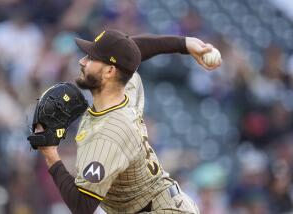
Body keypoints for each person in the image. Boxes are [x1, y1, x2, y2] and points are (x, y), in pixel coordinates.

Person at [33, 29, 221, 213]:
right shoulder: (125, 87)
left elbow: (82, 205)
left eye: (91, 58)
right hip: (164, 203)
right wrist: (183, 44)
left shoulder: (109, 134)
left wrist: (51, 155)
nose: (82, 61)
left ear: (109, 71)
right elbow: (131, 51)